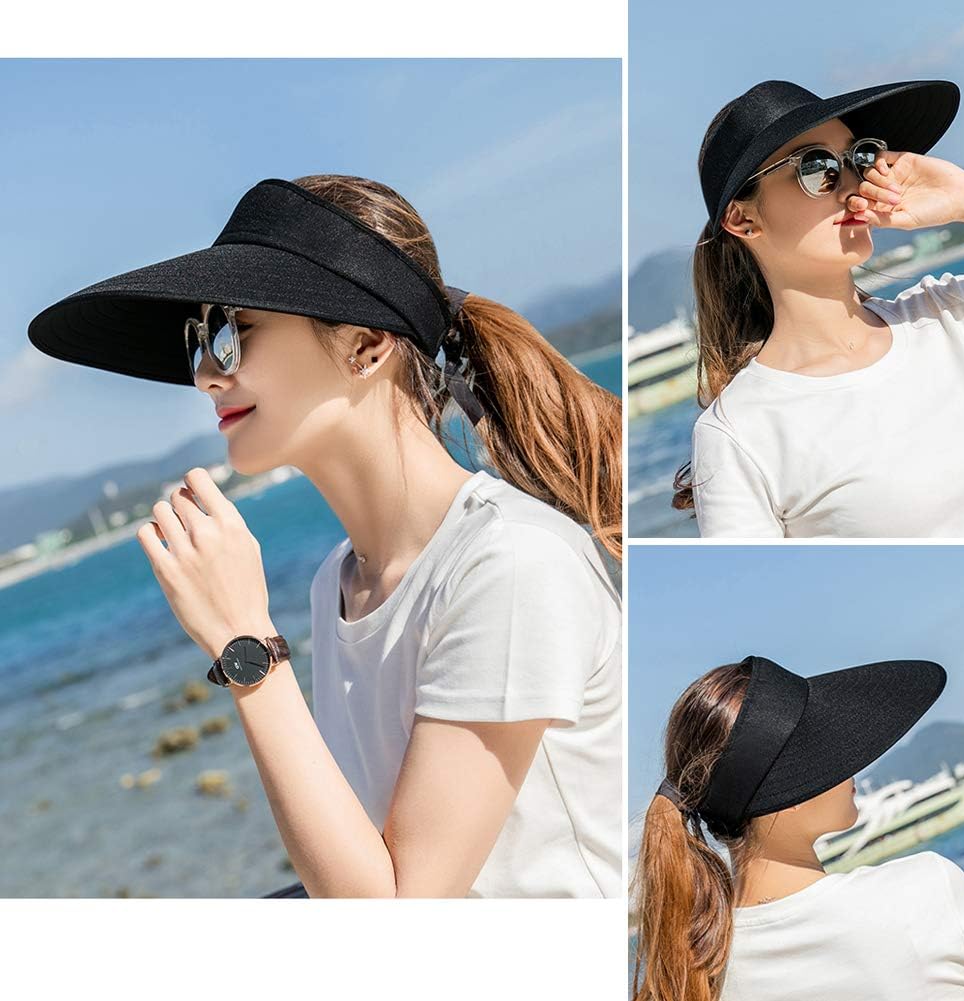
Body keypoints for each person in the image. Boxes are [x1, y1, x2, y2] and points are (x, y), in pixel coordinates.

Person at [27, 174, 622, 898]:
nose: (207, 376)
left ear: (366, 345)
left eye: (230, 333)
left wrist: (243, 641)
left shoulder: (510, 562)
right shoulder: (339, 582)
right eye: (197, 341)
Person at [674, 78, 964, 537]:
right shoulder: (741, 431)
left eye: (860, 157)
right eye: (816, 167)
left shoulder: (961, 317)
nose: (852, 185)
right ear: (743, 219)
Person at [630, 654, 964, 1001]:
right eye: (825, 756)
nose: (849, 769)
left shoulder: (693, 970)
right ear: (788, 790)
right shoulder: (925, 888)